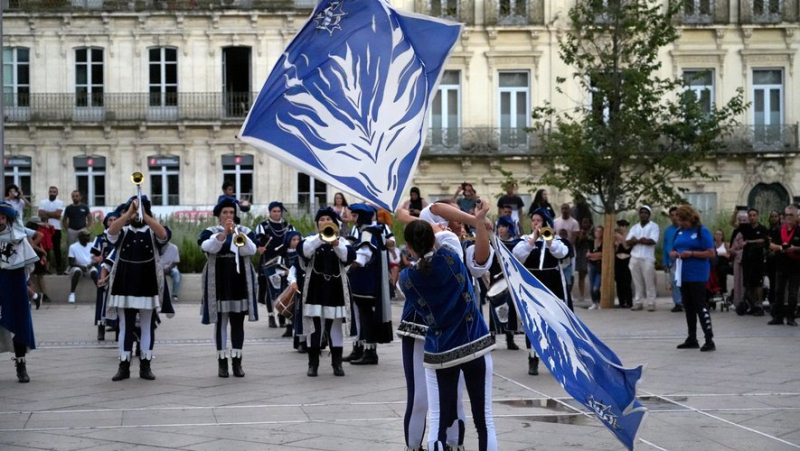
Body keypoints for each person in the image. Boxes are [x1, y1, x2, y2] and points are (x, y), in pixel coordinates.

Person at [400, 215, 497, 451]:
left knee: (437, 424)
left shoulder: (406, 279)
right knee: (485, 421)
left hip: (440, 351)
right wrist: (478, 218)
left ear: (410, 249)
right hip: (474, 343)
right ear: (434, 237)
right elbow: (443, 234)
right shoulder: (452, 255)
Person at [105, 196, 169, 382]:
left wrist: (145, 214)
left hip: (147, 281)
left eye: (140, 209)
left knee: (147, 325)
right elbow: (110, 233)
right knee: (125, 325)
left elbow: (163, 235)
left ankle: (145, 365)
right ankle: (124, 365)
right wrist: (129, 213)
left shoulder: (151, 230)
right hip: (125, 281)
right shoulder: (123, 229)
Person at [200, 197, 259, 378]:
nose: (228, 215)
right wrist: (224, 234)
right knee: (220, 323)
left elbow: (251, 250)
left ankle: (237, 361)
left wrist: (236, 234)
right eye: (225, 212)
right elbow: (208, 247)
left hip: (238, 279)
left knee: (237, 322)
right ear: (219, 215)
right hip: (219, 279)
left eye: (231, 212)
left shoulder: (244, 231)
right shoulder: (209, 231)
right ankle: (222, 362)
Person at [299, 207, 356, 377]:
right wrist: (321, 236)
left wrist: (335, 241)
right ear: (317, 224)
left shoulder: (342, 241)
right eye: (322, 219)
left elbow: (348, 257)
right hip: (315, 288)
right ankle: (313, 363)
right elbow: (304, 251)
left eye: (329, 219)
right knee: (314, 326)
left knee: (335, 326)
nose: (325, 222)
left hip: (335, 288)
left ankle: (337, 363)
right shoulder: (310, 239)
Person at [513, 208, 570, 375]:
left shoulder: (556, 240)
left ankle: (558, 358)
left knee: (554, 322)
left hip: (552, 285)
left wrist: (549, 239)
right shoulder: (525, 240)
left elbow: (562, 253)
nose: (536, 224)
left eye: (539, 221)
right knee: (533, 323)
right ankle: (533, 358)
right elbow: (518, 255)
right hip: (532, 285)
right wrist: (533, 240)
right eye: (534, 221)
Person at [344, 203, 393, 366]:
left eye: (355, 216)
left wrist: (346, 264)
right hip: (363, 282)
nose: (353, 218)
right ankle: (360, 348)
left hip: (365, 282)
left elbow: (362, 257)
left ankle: (370, 352)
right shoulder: (370, 231)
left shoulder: (368, 232)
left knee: (365, 317)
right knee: (360, 316)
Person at [0, 202, 40, 383]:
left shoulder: (18, 237)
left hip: (14, 283)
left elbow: (28, 265)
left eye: (2, 217)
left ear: (7, 218)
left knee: (20, 323)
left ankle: (21, 365)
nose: (0, 220)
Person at [669, 205, 716, 352]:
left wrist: (693, 254)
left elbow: (711, 252)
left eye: (684, 221)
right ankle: (692, 337)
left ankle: (709, 338)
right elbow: (674, 248)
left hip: (698, 273)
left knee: (699, 305)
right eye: (679, 221)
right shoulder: (679, 231)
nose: (682, 224)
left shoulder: (702, 231)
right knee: (688, 306)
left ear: (690, 218)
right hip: (683, 273)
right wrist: (674, 253)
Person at [255, 201, 295, 329]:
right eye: (274, 211)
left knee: (284, 289)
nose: (277, 214)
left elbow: (296, 240)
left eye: (279, 211)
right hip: (268, 262)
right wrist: (259, 248)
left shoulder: (288, 226)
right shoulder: (263, 226)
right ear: (270, 212)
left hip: (284, 262)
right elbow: (255, 241)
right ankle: (271, 315)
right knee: (269, 290)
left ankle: (282, 315)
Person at [767, 205, 800, 326]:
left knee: (792, 292)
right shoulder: (779, 230)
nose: (789, 217)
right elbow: (770, 244)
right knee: (778, 291)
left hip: (795, 265)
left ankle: (791, 317)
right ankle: (778, 317)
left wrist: (794, 248)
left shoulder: (799, 230)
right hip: (781, 264)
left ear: (796, 216)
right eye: (787, 215)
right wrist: (780, 247)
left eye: (791, 215)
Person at [91, 212, 119, 341]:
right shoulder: (101, 238)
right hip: (104, 269)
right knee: (102, 298)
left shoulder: (122, 235)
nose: (113, 222)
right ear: (106, 222)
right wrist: (98, 258)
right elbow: (94, 256)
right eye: (110, 220)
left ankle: (118, 329)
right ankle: (101, 328)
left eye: (115, 219)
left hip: (119, 270)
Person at [626, 206, 660, 311]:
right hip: (635, 257)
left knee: (649, 282)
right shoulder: (635, 227)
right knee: (637, 282)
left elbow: (652, 241)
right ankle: (638, 302)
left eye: (646, 213)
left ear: (649, 214)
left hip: (647, 258)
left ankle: (651, 303)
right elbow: (628, 242)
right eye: (642, 213)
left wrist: (637, 240)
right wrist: (640, 240)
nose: (643, 214)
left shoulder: (654, 226)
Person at [738, 208, 768, 315]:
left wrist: (749, 242)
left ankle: (759, 305)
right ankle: (751, 305)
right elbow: (733, 223)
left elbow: (763, 240)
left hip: (758, 260)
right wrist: (736, 212)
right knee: (747, 284)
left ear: (757, 216)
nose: (752, 217)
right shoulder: (745, 228)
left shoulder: (762, 228)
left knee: (758, 284)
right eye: (750, 215)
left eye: (754, 215)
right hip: (747, 259)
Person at [38, 186, 64, 273]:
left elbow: (58, 214)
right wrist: (54, 214)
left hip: (56, 228)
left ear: (57, 193)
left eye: (54, 192)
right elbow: (41, 214)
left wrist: (47, 213)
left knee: (57, 249)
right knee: (45, 249)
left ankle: (59, 268)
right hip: (45, 228)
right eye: (51, 191)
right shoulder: (43, 202)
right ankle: (45, 268)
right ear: (48, 192)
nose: (52, 193)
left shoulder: (60, 202)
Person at [662, 207, 684, 313]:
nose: (675, 217)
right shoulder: (668, 231)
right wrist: (665, 262)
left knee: (684, 281)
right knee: (675, 282)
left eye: (676, 215)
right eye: (672, 215)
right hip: (672, 260)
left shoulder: (685, 228)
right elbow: (665, 246)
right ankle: (678, 302)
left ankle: (686, 301)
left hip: (684, 259)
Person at [67, 229, 97, 304]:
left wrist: (91, 265)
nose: (89, 237)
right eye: (86, 236)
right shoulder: (73, 247)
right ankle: (72, 294)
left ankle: (100, 293)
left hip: (89, 266)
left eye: (89, 235)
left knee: (94, 273)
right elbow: (71, 262)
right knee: (77, 271)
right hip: (77, 266)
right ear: (80, 237)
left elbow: (96, 259)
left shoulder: (92, 245)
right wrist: (80, 266)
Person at [765, 210, 782, 308]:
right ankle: (772, 301)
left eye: (776, 216)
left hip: (778, 259)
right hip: (770, 260)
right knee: (772, 281)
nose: (774, 218)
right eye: (772, 216)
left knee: (777, 281)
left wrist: (774, 251)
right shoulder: (768, 231)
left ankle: (777, 301)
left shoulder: (781, 230)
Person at [574, 217, 593, 303]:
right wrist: (581, 236)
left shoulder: (593, 232)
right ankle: (582, 295)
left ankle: (593, 294)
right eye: (583, 223)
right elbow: (576, 244)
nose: (585, 224)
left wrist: (589, 236)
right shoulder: (579, 232)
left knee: (590, 273)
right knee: (581, 275)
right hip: (581, 254)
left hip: (590, 253)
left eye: (587, 222)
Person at [614, 222, 633, 308]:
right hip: (618, 259)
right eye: (620, 226)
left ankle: (629, 301)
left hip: (627, 259)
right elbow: (615, 249)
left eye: (623, 226)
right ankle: (621, 301)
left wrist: (622, 238)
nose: (621, 227)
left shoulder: (629, 236)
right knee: (619, 282)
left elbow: (626, 247)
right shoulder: (616, 236)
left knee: (627, 282)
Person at [586, 225, 603, 310]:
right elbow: (588, 255)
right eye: (597, 231)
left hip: (600, 266)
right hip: (591, 265)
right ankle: (594, 302)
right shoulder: (591, 242)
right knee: (591, 286)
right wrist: (596, 255)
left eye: (600, 231)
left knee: (596, 287)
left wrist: (593, 255)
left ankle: (599, 302)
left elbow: (603, 255)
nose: (598, 233)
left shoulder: (604, 243)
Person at [713, 229, 730, 295]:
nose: (718, 236)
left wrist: (723, 254)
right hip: (714, 262)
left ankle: (723, 290)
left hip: (723, 262)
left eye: (720, 234)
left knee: (722, 269)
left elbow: (728, 255)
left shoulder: (725, 244)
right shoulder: (712, 244)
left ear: (722, 236)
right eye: (716, 234)